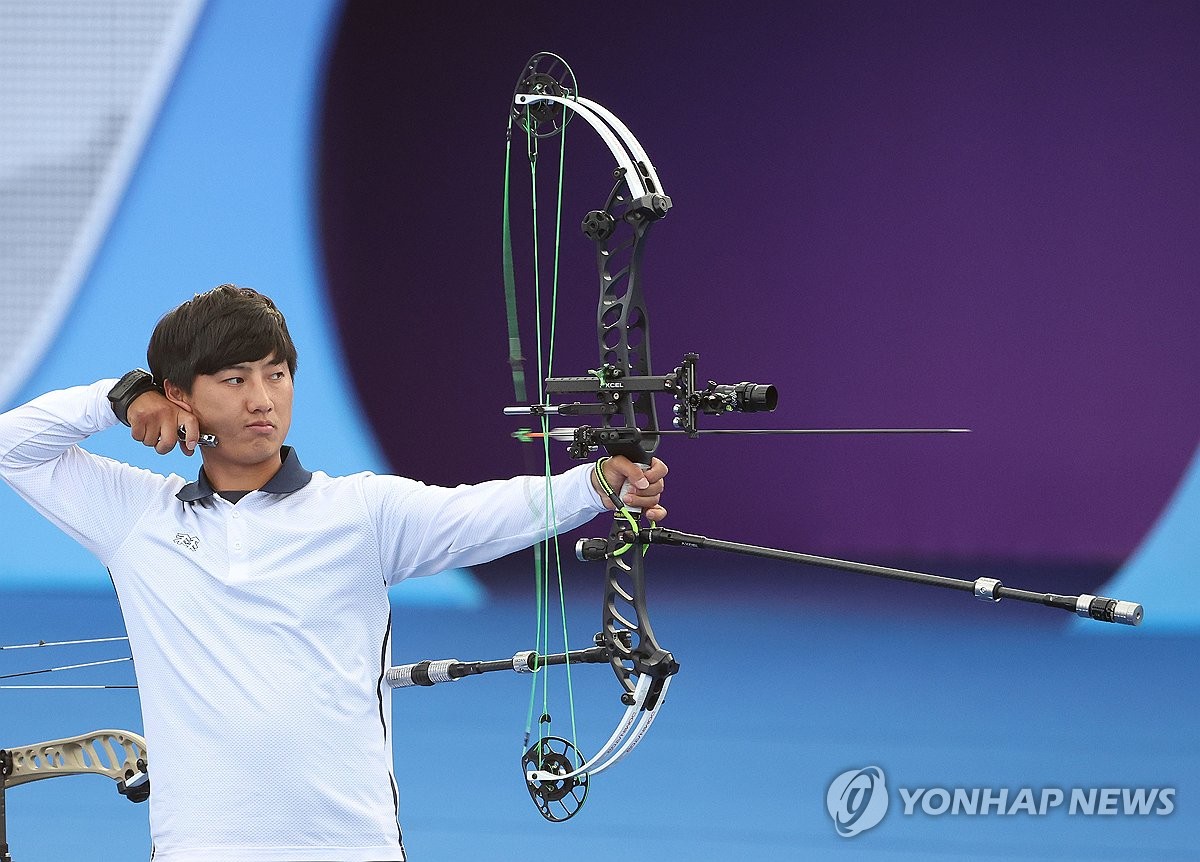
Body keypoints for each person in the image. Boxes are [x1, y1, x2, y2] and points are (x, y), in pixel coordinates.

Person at [0, 284, 667, 862]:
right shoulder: (137, 517)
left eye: (277, 374)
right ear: (180, 396)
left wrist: (599, 483)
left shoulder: (361, 511)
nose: (262, 398)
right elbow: (13, 449)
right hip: (200, 846)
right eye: (235, 380)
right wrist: (114, 399)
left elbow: (492, 512)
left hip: (350, 845)